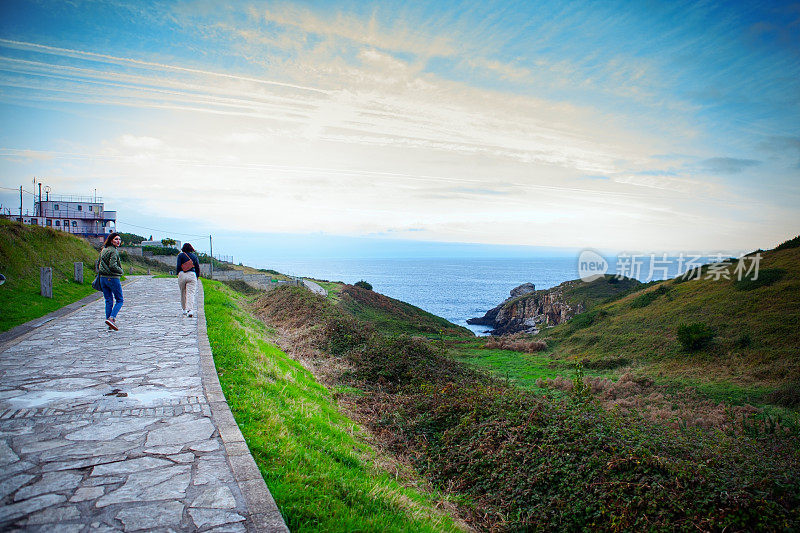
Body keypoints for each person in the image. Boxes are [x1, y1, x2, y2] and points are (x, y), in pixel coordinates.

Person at [98, 232, 124, 330]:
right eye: (116, 239)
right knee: (120, 300)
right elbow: (113, 265)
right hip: (112, 278)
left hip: (102, 278)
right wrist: (120, 271)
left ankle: (109, 322)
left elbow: (99, 264)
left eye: (119, 239)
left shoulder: (104, 250)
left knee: (108, 300)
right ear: (111, 240)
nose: (118, 241)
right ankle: (112, 318)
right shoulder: (113, 251)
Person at [177, 243, 200, 317]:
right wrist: (197, 276)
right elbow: (197, 268)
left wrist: (178, 273)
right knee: (190, 293)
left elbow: (178, 265)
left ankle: (184, 309)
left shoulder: (180, 255)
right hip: (191, 274)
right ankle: (190, 310)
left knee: (183, 292)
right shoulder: (194, 256)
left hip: (182, 274)